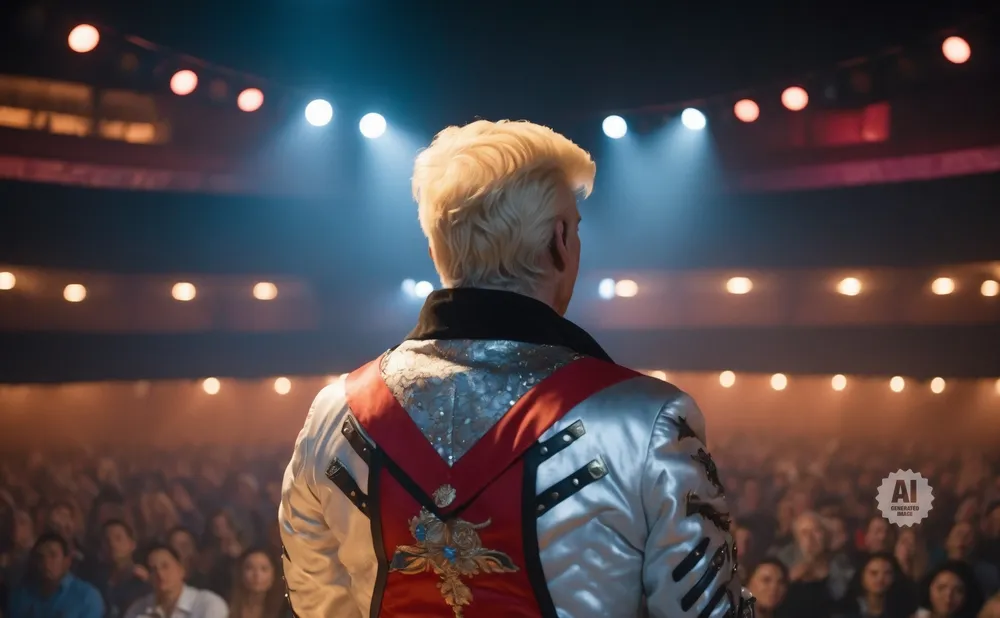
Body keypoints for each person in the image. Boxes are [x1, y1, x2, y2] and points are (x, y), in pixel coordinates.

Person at [279, 120, 754, 617]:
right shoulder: (650, 421)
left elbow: (316, 604)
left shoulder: (334, 415)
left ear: (434, 248)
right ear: (560, 239)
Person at [6, 532, 104, 618]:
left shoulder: (87, 597)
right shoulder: (21, 595)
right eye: (40, 556)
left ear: (67, 561)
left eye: (53, 555)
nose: (46, 562)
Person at [123, 545, 227, 618]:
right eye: (153, 570)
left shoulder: (207, 604)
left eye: (165, 566)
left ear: (181, 570)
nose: (160, 574)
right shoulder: (138, 610)